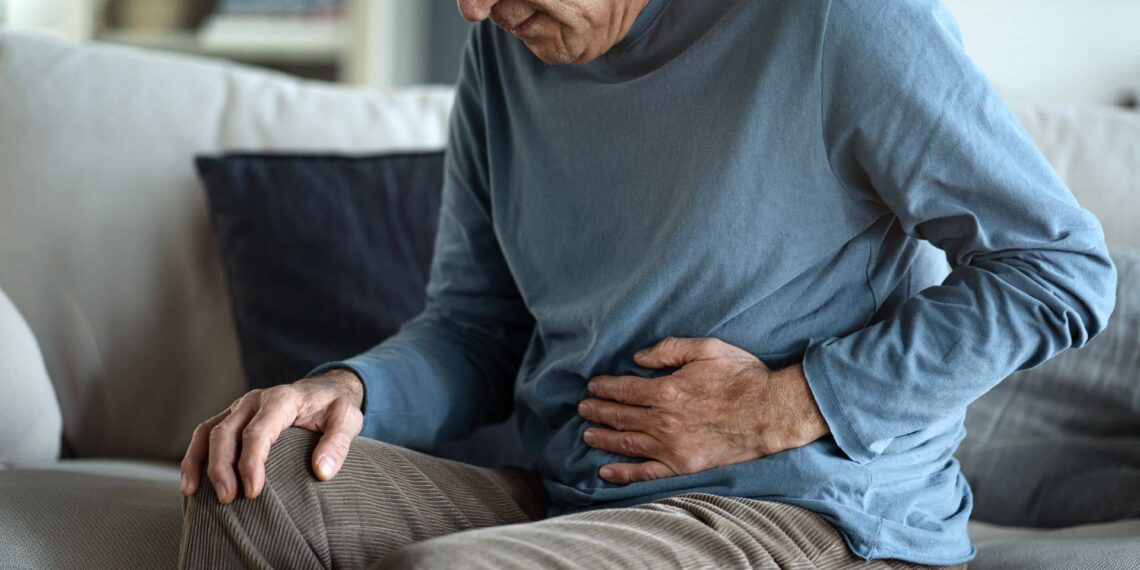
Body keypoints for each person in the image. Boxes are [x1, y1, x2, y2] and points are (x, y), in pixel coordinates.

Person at [177, 0, 1118, 568]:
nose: (469, 6)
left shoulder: (836, 21)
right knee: (252, 478)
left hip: (810, 521)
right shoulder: (505, 51)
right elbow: (475, 326)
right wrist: (345, 391)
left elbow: (1060, 269)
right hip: (577, 507)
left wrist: (791, 402)